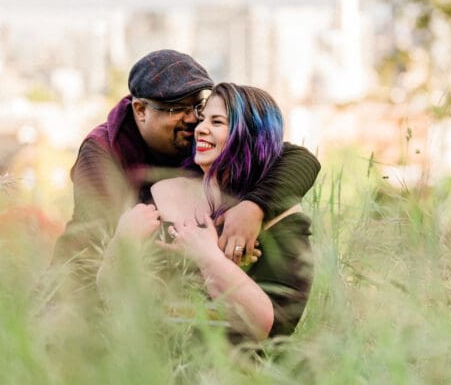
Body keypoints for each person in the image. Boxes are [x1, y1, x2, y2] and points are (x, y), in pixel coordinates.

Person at [52, 50, 320, 283]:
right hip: (82, 282)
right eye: (177, 109)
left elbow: (299, 159)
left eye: (197, 106)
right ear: (140, 110)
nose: (194, 119)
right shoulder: (103, 152)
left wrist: (254, 207)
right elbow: (94, 244)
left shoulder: (197, 136)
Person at [107, 83, 314, 341]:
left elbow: (272, 328)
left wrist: (207, 257)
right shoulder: (161, 194)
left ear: (249, 135)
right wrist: (121, 243)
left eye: (217, 122)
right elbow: (109, 293)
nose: (200, 129)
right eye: (203, 119)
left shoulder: (280, 217)